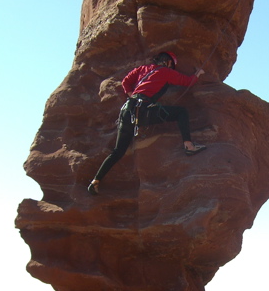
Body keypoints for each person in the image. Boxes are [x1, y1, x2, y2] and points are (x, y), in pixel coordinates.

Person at [87, 51, 206, 195]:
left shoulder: (142, 69)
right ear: (168, 63)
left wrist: (131, 95)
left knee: (118, 151)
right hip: (143, 110)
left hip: (126, 110)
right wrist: (197, 74)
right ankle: (189, 146)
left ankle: (95, 181)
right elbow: (187, 82)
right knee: (181, 112)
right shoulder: (166, 71)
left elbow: (125, 81)